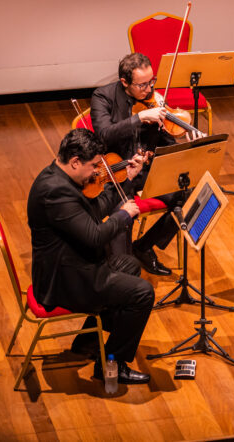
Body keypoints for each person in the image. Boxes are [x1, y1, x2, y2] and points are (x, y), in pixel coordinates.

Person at [27, 128, 153, 384]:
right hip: (65, 280)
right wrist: (123, 215)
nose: (97, 171)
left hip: (74, 265)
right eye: (94, 165)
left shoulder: (61, 178)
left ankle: (87, 339)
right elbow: (95, 236)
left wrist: (126, 179)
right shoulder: (55, 193)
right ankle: (112, 365)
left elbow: (92, 211)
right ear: (75, 162)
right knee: (142, 292)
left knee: (128, 265)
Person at [91, 52, 202, 276]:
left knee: (191, 197)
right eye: (142, 85)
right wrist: (139, 118)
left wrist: (176, 133)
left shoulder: (153, 99)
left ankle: (144, 246)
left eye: (152, 81)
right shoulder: (103, 97)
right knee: (124, 217)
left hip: (147, 168)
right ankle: (121, 267)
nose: (149, 89)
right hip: (118, 172)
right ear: (124, 82)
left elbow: (165, 142)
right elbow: (103, 135)